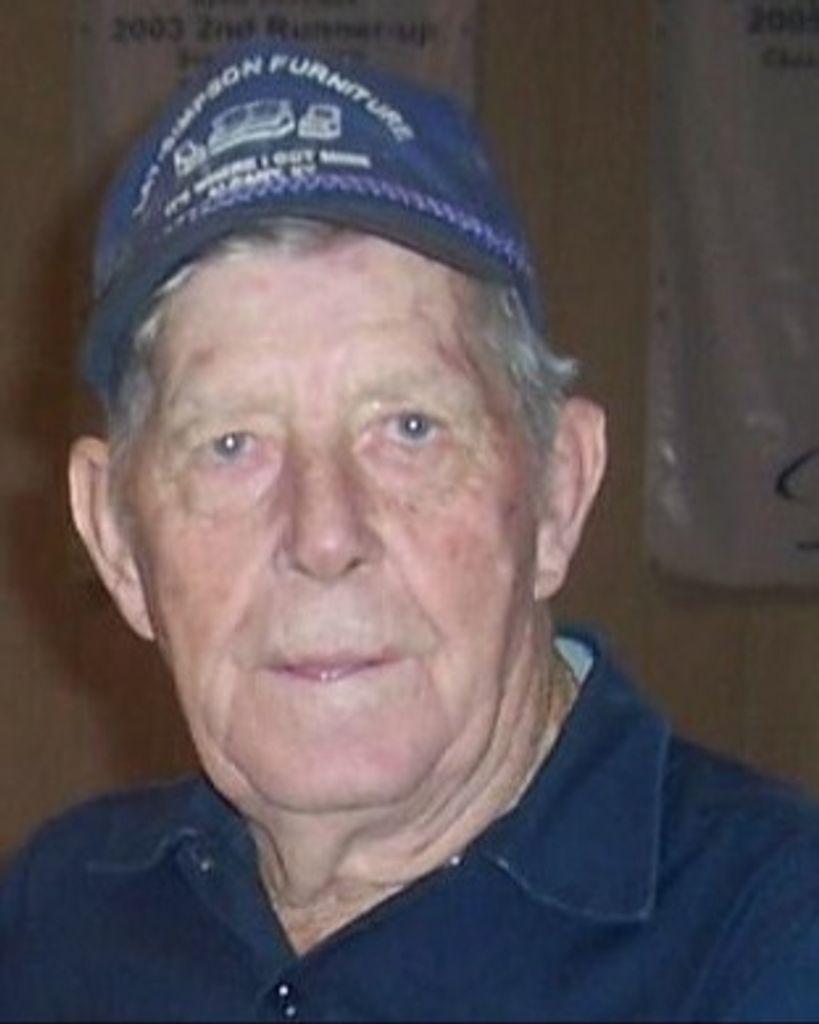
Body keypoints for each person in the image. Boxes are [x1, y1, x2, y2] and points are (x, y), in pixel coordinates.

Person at [2, 40, 819, 1023]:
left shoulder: (772, 941)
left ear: (558, 491)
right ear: (116, 542)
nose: (323, 535)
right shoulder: (59, 917)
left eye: (409, 428)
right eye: (230, 444)